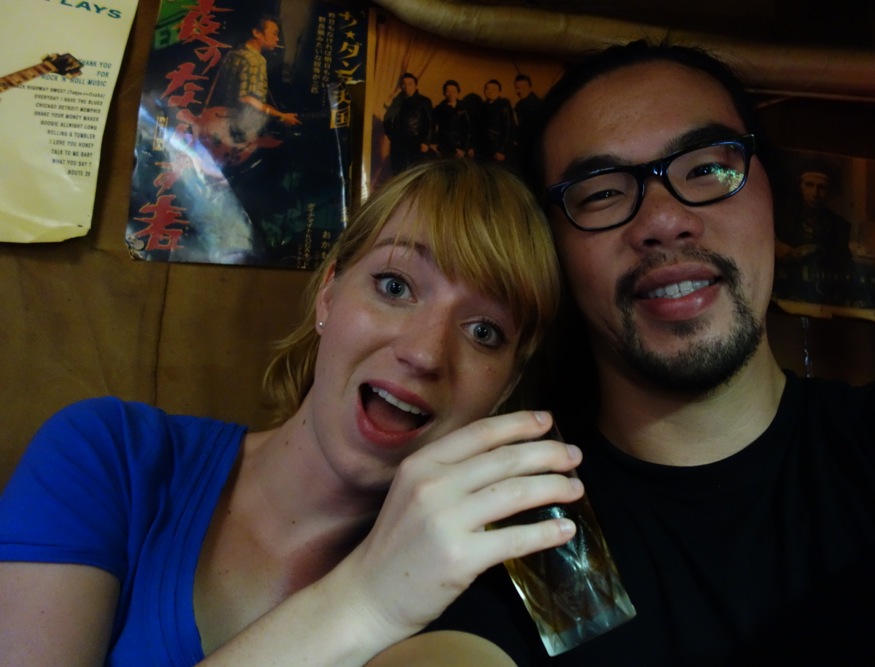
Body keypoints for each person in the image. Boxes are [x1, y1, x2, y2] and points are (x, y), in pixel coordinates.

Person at [374, 40, 875, 665]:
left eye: (706, 168)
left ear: (772, 201)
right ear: (554, 253)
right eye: (601, 192)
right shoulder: (522, 535)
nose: (663, 221)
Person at [0, 159, 586, 665]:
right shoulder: (108, 454)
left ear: (506, 388)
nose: (426, 353)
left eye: (484, 331)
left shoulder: (484, 596)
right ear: (329, 294)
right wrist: (367, 601)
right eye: (394, 285)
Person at [202, 15, 301, 166]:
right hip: (238, 132)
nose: (277, 39)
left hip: (217, 125)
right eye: (274, 33)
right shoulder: (256, 60)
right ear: (256, 32)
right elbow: (247, 100)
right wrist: (281, 116)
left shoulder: (232, 54)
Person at [774, 158, 858, 305]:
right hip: (782, 294)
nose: (815, 193)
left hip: (823, 299)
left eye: (822, 187)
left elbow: (845, 266)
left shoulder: (839, 226)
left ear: (830, 192)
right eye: (809, 185)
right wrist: (774, 246)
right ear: (800, 186)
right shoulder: (779, 217)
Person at [382, 72, 434, 175]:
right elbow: (387, 118)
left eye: (410, 84)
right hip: (399, 144)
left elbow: (431, 123)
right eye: (404, 84)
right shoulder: (397, 101)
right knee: (399, 172)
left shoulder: (424, 101)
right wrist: (391, 134)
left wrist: (426, 142)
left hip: (417, 143)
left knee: (415, 173)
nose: (407, 87)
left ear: (416, 85)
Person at [474, 79, 514, 163]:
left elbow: (509, 130)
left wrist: (502, 150)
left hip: (497, 150)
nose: (490, 91)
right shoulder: (482, 107)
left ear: (499, 92)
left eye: (494, 89)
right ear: (484, 91)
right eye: (487, 89)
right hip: (482, 150)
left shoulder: (504, 106)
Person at [431, 79, 472, 158]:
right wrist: (434, 144)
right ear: (444, 93)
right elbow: (433, 126)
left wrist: (464, 148)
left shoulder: (464, 108)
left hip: (459, 147)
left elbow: (469, 130)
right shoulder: (439, 108)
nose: (451, 94)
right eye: (448, 91)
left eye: (453, 91)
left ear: (458, 92)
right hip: (443, 147)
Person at [512, 73, 543, 170]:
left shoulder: (534, 105)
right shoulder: (521, 104)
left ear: (530, 88)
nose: (519, 91)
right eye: (517, 88)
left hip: (531, 149)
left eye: (523, 88)